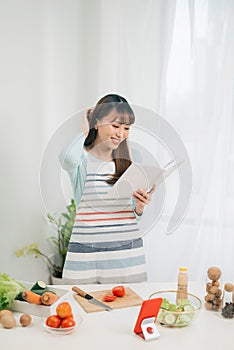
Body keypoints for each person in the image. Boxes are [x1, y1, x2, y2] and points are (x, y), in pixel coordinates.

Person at [59, 94, 156, 284]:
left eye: (127, 128)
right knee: (81, 307)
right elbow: (67, 157)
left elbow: (130, 211)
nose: (121, 134)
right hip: (86, 254)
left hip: (125, 254)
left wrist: (139, 207)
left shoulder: (129, 161)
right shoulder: (82, 159)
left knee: (127, 308)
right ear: (97, 122)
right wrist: (84, 129)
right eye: (115, 125)